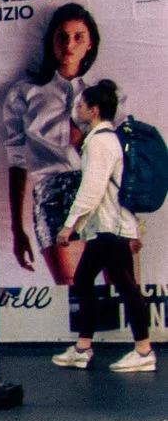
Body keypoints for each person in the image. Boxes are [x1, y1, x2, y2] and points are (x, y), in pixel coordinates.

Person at [52, 79, 153, 373]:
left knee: (126, 286)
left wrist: (69, 226)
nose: (77, 110)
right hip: (107, 228)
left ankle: (144, 351)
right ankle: (83, 348)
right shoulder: (107, 140)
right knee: (84, 280)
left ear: (94, 111)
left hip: (113, 229)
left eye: (81, 106)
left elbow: (92, 190)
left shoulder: (99, 142)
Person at [3, 3, 101, 282]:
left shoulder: (105, 95)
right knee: (72, 290)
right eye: (62, 36)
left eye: (78, 36)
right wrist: (17, 229)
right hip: (52, 199)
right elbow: (17, 162)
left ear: (90, 43)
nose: (69, 44)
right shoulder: (25, 93)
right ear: (51, 42)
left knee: (114, 288)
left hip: (100, 198)